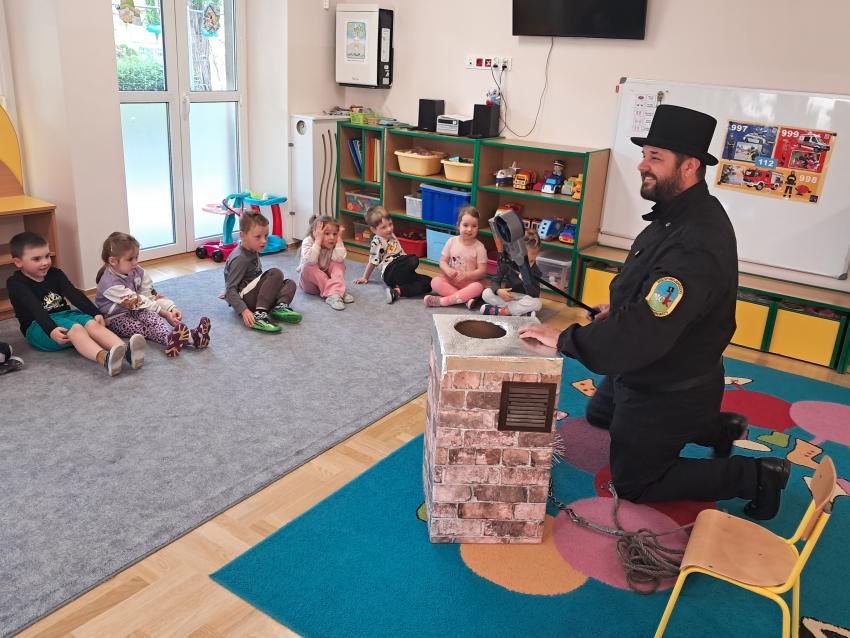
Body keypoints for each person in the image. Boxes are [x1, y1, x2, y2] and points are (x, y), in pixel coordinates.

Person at [518, 104, 791, 520]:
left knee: (636, 484)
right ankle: (715, 427)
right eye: (645, 154)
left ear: (690, 166)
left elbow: (645, 330)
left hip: (670, 382)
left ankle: (755, 475)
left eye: (656, 157)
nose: (642, 165)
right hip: (654, 363)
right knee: (600, 413)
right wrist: (618, 308)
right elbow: (652, 296)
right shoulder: (673, 216)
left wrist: (564, 338)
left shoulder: (696, 239)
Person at [6, 231, 145, 376]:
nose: (45, 262)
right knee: (77, 329)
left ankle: (126, 351)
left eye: (47, 256)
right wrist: (51, 329)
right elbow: (35, 309)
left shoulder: (55, 273)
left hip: (66, 315)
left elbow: (74, 294)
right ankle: (104, 358)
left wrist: (95, 313)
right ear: (18, 262)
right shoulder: (16, 283)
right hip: (37, 326)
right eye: (36, 259)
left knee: (92, 324)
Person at [96, 232, 211, 357]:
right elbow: (137, 301)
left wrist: (171, 308)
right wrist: (164, 313)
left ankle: (193, 338)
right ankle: (171, 339)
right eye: (130, 259)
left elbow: (150, 296)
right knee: (140, 328)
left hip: (136, 309)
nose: (135, 262)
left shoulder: (138, 272)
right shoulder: (110, 284)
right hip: (116, 318)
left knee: (153, 317)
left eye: (136, 257)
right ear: (113, 261)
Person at [223, 211, 302, 333]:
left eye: (266, 236)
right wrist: (243, 310)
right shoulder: (240, 258)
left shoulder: (252, 248)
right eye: (258, 237)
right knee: (275, 273)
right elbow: (230, 290)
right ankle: (260, 314)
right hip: (247, 300)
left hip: (254, 293)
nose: (264, 241)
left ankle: (279, 307)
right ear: (243, 235)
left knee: (289, 283)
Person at [353, 205, 431, 303]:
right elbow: (372, 261)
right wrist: (365, 277)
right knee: (413, 259)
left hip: (402, 270)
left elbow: (400, 251)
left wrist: (407, 263)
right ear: (373, 230)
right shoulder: (377, 241)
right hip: (390, 271)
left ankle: (397, 291)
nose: (389, 229)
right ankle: (400, 281)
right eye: (384, 227)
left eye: (390, 224)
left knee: (429, 283)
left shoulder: (390, 234)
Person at [424, 205, 487, 309]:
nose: (469, 229)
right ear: (458, 225)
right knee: (435, 282)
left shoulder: (480, 247)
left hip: (469, 284)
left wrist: (467, 275)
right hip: (451, 281)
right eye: (465, 225)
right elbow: (442, 261)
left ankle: (444, 301)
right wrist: (448, 270)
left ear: (478, 227)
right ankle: (465, 299)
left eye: (474, 226)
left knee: (478, 287)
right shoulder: (451, 241)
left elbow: (482, 271)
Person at [481, 229, 543, 317]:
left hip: (524, 298)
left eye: (531, 260)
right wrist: (498, 291)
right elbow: (495, 280)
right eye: (523, 260)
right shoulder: (507, 263)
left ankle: (503, 311)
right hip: (509, 296)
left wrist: (527, 281)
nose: (527, 265)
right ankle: (521, 312)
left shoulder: (535, 270)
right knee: (486, 293)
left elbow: (535, 294)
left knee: (537, 303)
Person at [298, 215, 353, 311]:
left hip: (327, 281)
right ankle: (336, 291)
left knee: (339, 264)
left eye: (335, 234)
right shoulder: (308, 241)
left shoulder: (335, 241)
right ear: (316, 233)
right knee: (307, 267)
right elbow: (310, 260)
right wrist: (318, 241)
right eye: (327, 234)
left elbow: (339, 259)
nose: (332, 237)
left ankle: (336, 292)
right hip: (311, 286)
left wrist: (339, 239)